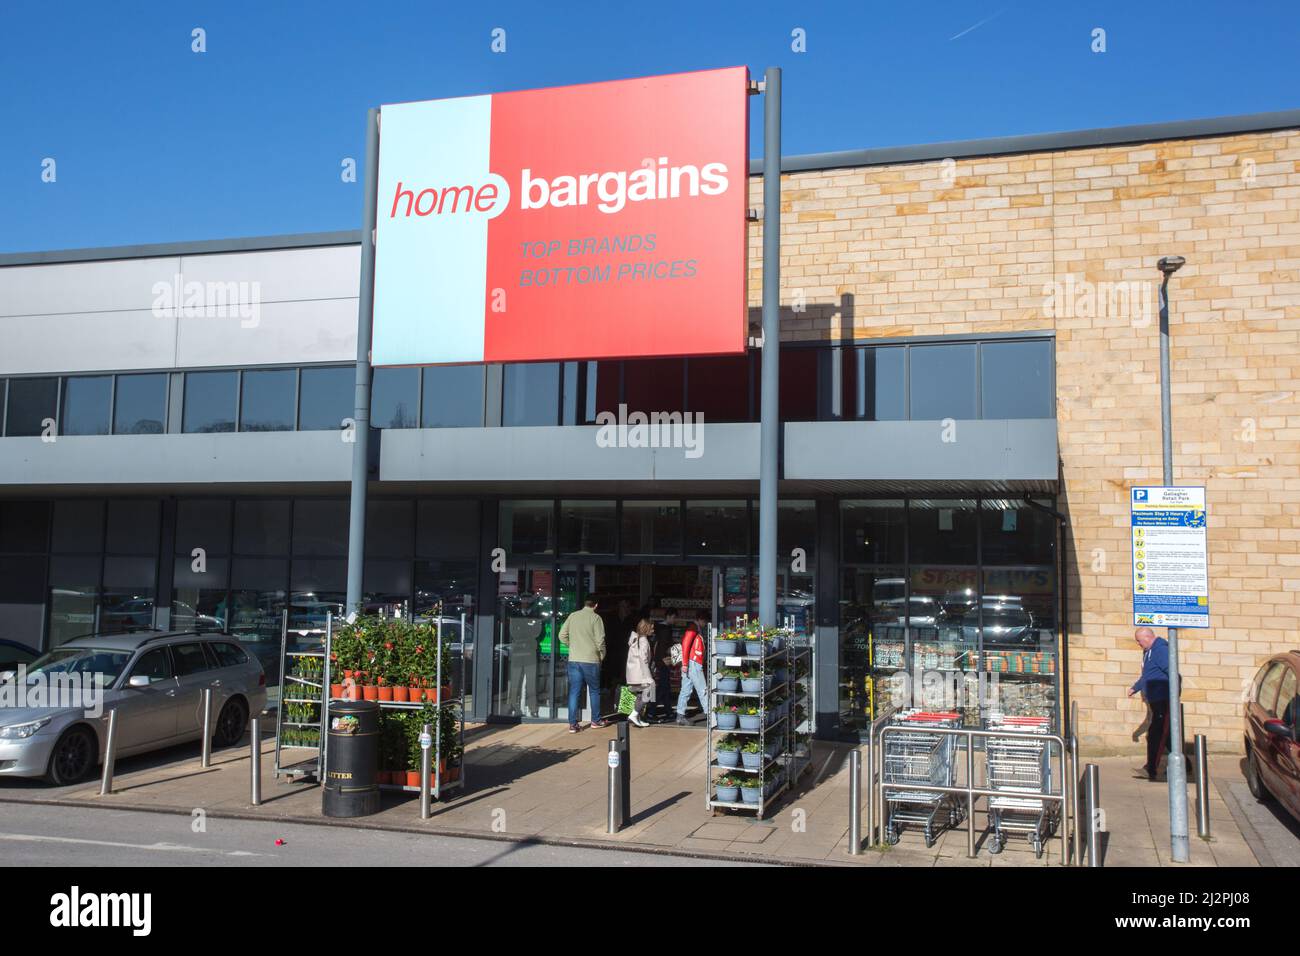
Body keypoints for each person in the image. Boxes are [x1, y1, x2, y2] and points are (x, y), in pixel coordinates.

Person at [559, 596, 607, 733]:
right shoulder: (596, 618)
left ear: (585, 603)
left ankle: (573, 725)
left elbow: (561, 635)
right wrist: (602, 655)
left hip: (574, 659)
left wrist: (572, 646)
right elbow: (600, 640)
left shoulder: (573, 616)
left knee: (574, 691)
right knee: (594, 691)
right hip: (591, 660)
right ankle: (596, 721)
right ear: (596, 605)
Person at [1128, 626, 1170, 781]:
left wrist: (1171, 694)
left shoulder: (1161, 651)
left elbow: (1173, 671)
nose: (1139, 644)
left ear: (1147, 637)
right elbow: (1148, 675)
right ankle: (1185, 765)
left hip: (1162, 700)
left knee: (1155, 735)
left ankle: (1150, 769)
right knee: (1168, 736)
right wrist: (1135, 687)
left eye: (1139, 641)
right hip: (1155, 700)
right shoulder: (1148, 653)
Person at [675, 612, 710, 726]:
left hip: (690, 662)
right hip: (693, 663)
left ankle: (680, 715)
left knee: (686, 689)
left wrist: (685, 664)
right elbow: (685, 644)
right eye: (704, 621)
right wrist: (685, 663)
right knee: (702, 689)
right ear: (700, 619)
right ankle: (710, 715)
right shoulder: (693, 628)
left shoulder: (694, 628)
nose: (705, 624)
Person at [624, 618, 657, 728]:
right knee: (649, 691)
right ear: (646, 628)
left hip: (633, 673)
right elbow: (644, 660)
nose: (653, 630)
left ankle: (637, 718)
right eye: (651, 628)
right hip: (640, 674)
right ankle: (634, 714)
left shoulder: (635, 638)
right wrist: (649, 677)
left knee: (640, 695)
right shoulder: (643, 641)